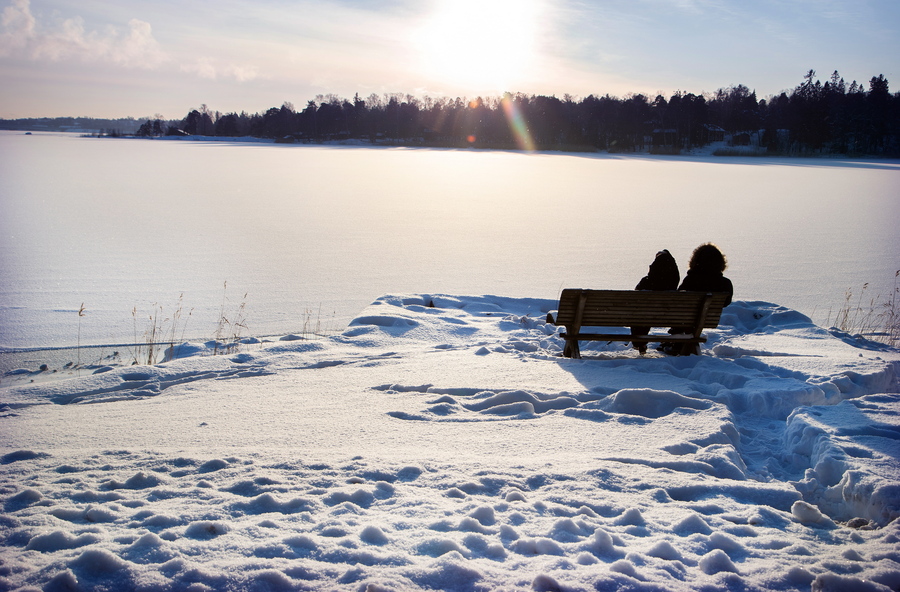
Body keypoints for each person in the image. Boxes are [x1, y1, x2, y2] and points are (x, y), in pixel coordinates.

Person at [667, 242, 733, 355]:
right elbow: (726, 302)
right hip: (706, 319)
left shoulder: (690, 280)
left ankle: (677, 341)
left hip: (685, 320)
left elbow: (678, 299)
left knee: (684, 314)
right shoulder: (725, 283)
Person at [631, 249, 680, 354]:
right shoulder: (673, 286)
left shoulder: (646, 283)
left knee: (640, 312)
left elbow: (634, 300)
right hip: (668, 317)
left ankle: (640, 343)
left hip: (646, 316)